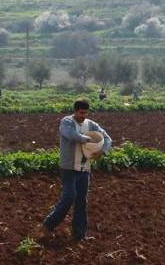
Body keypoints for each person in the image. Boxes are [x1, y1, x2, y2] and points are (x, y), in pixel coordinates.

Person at [42, 98, 112, 241]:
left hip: (84, 168)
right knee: (69, 196)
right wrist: (89, 140)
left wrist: (103, 150)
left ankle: (79, 234)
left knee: (81, 201)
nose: (83, 116)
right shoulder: (66, 122)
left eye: (85, 113)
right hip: (68, 168)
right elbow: (71, 135)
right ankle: (49, 224)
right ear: (75, 111)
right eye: (81, 113)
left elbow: (107, 139)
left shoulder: (91, 124)